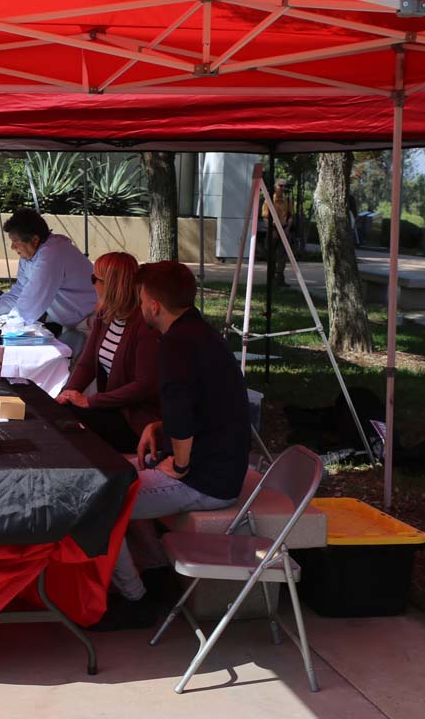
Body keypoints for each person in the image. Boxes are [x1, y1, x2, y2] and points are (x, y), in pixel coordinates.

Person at [94, 261, 252, 630]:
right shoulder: (199, 333)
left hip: (206, 481)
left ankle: (136, 600)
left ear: (152, 305)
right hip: (220, 467)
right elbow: (202, 406)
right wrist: (157, 426)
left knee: (101, 503)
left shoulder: (176, 345)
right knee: (117, 476)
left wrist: (178, 465)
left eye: (141, 297)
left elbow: (183, 414)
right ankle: (156, 572)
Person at [56, 252, 160, 453]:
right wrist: (68, 394)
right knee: (60, 415)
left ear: (112, 285)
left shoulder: (144, 324)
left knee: (67, 427)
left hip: (137, 421)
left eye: (94, 279)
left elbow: (144, 386)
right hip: (113, 409)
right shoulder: (106, 314)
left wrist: (90, 401)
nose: (91, 283)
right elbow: (86, 363)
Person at [0, 209, 96, 355]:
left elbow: (32, 299)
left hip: (90, 320)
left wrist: (5, 325)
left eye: (15, 242)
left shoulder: (52, 254)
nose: (13, 247)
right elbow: (21, 290)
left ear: (34, 239)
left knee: (80, 370)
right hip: (73, 321)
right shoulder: (31, 255)